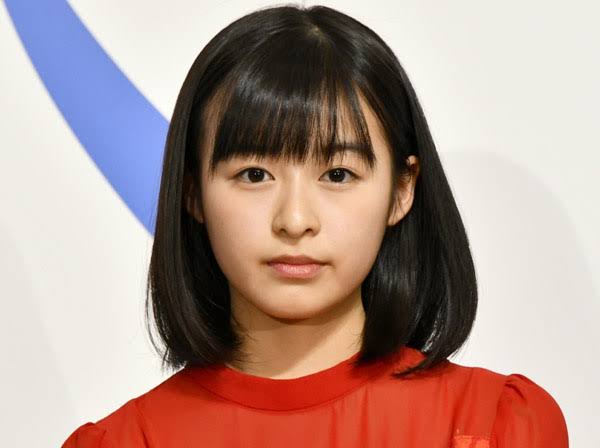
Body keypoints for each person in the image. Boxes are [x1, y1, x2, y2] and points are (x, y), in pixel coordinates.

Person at [62, 4, 569, 447]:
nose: (295, 220)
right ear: (193, 193)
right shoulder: (126, 441)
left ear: (402, 190)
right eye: (254, 174)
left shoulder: (493, 427)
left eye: (338, 174)